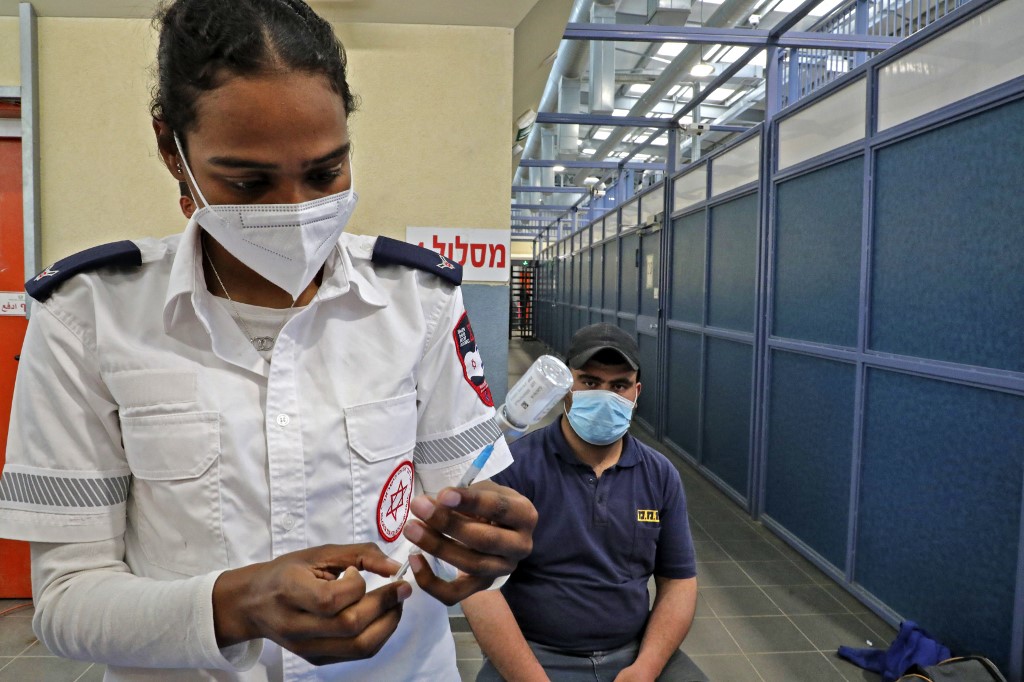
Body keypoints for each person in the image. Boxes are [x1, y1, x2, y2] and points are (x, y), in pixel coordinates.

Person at [0, 1, 536, 680]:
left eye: (324, 173)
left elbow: (461, 513)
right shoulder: (91, 316)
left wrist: (486, 548)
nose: (292, 210)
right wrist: (237, 604)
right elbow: (67, 602)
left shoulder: (418, 302)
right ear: (174, 152)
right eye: (248, 182)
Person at [462, 323, 706, 682]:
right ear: (566, 387)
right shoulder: (515, 467)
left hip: (632, 653)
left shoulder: (659, 475)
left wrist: (645, 668)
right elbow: (477, 586)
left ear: (636, 393)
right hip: (534, 655)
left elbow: (679, 582)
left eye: (619, 385)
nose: (605, 395)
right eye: (590, 382)